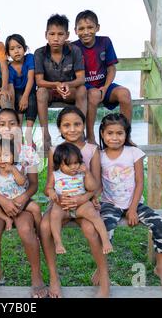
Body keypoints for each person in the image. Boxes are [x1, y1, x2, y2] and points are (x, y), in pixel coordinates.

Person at [98, 113, 162, 293]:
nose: (115, 138)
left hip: (133, 202)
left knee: (159, 223)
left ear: (126, 134)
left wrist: (132, 209)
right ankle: (102, 269)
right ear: (102, 133)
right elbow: (98, 182)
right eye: (110, 133)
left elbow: (140, 181)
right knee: (104, 229)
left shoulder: (134, 152)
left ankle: (161, 268)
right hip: (109, 203)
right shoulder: (100, 155)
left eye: (119, 133)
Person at [0, 108, 48, 298]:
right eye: (2, 124)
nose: (7, 127)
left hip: (20, 201)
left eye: (12, 123)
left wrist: (20, 200)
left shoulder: (27, 152)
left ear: (19, 126)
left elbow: (33, 185)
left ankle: (36, 275)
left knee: (26, 232)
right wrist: (2, 202)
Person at [40, 106, 111, 298]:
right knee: (45, 226)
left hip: (84, 201)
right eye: (67, 125)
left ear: (84, 126)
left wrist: (82, 199)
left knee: (90, 229)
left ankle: (104, 279)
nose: (72, 129)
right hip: (61, 203)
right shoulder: (55, 150)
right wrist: (53, 195)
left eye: (77, 124)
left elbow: (96, 185)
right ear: (60, 128)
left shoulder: (91, 150)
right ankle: (54, 278)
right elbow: (49, 184)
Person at [73, 10, 132, 145]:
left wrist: (105, 87)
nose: (86, 32)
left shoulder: (105, 42)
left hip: (104, 84)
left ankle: (126, 136)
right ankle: (91, 137)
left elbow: (111, 68)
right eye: (81, 28)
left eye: (90, 27)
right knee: (93, 94)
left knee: (125, 94)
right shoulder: (74, 47)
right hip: (86, 86)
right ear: (75, 31)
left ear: (97, 28)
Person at [46, 142, 112, 255]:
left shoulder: (81, 174)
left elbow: (92, 187)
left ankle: (106, 240)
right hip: (63, 206)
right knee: (55, 215)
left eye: (76, 163)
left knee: (93, 214)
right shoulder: (55, 175)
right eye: (68, 164)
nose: (73, 167)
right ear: (60, 165)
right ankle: (58, 242)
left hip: (81, 205)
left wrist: (87, 173)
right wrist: (51, 192)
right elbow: (48, 188)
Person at [35, 14, 86, 153]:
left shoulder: (74, 51)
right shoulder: (40, 53)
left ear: (67, 35)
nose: (56, 38)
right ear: (46, 35)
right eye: (52, 34)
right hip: (50, 90)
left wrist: (68, 85)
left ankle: (80, 134)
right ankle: (45, 135)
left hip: (69, 90)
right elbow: (39, 81)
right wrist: (56, 84)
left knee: (82, 90)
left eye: (60, 34)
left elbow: (81, 78)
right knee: (40, 92)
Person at [0, 138, 41, 232]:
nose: (2, 159)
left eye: (6, 155)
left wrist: (14, 170)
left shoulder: (17, 168)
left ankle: (39, 231)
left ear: (14, 156)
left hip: (19, 199)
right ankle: (6, 219)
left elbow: (21, 182)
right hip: (1, 202)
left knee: (36, 208)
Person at [5, 34, 37, 145]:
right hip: (17, 93)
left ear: (24, 48)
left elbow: (31, 78)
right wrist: (14, 107)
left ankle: (29, 133)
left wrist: (25, 97)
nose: (16, 51)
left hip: (29, 90)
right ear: (8, 53)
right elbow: (11, 88)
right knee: (18, 98)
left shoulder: (29, 58)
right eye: (12, 49)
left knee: (32, 97)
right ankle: (19, 132)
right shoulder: (9, 68)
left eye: (19, 47)